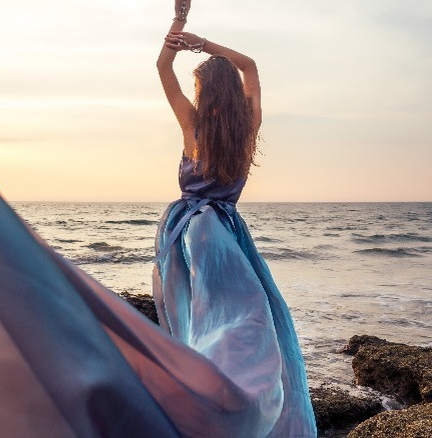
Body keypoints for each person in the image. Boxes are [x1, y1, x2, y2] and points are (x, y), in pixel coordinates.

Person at [153, 1, 318, 436]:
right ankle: (241, 401)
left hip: (191, 233)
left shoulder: (192, 126)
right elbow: (250, 66)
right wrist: (204, 44)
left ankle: (206, 403)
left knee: (197, 318)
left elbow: (162, 67)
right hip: (227, 232)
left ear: (204, 92)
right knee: (243, 316)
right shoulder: (248, 128)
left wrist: (179, 24)